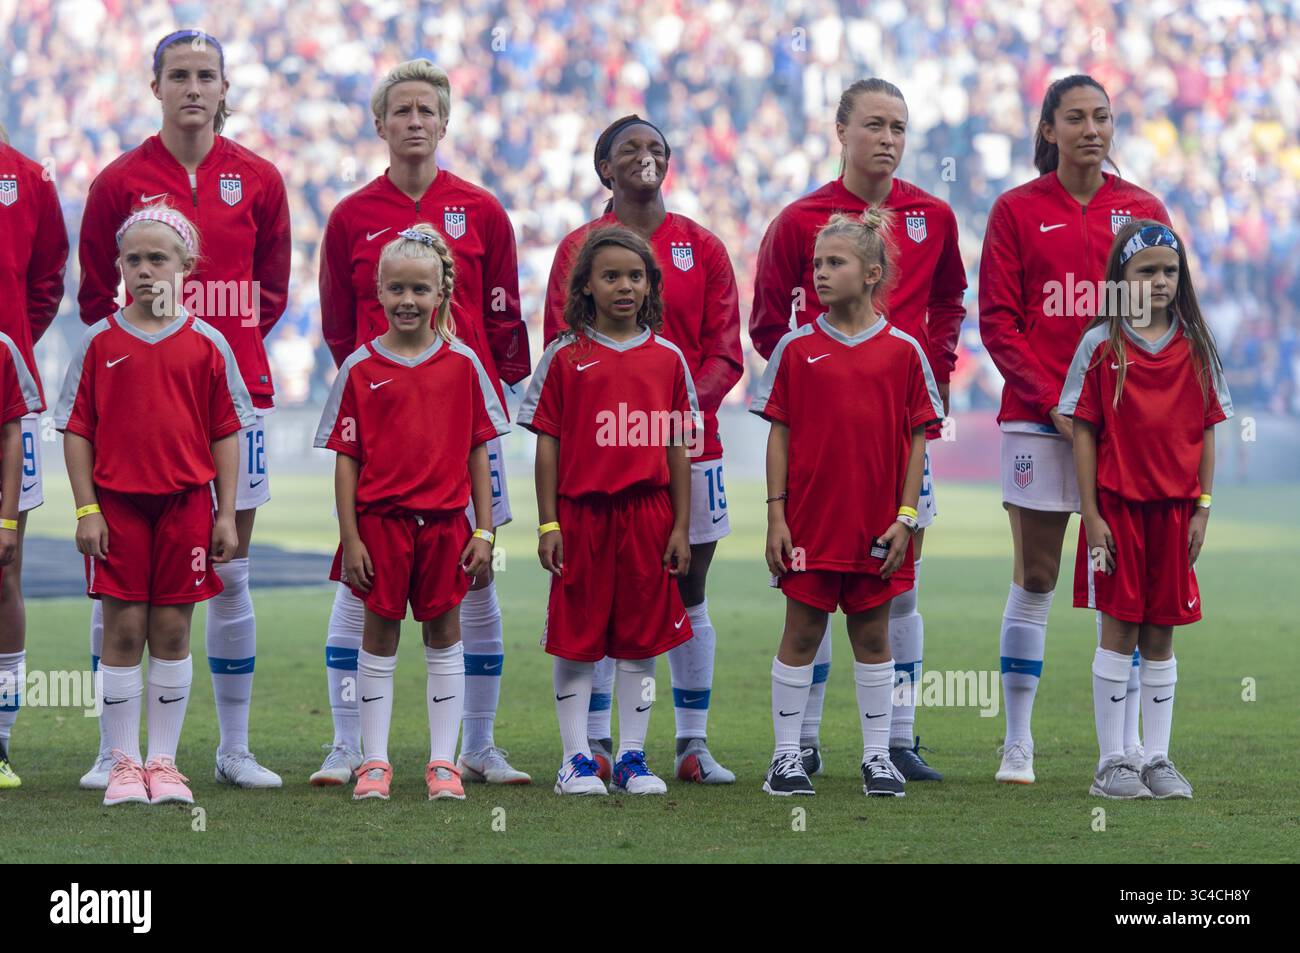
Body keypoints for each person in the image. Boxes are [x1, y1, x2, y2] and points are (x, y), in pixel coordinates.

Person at [77, 29, 290, 790]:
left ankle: (232, 748)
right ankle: (115, 752)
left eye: (207, 75)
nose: (193, 88)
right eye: (179, 75)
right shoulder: (116, 181)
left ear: (226, 88)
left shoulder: (260, 178)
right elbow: (92, 291)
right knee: (118, 584)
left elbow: (272, 291)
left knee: (226, 572)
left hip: (232, 399)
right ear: (155, 86)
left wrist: (214, 360)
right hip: (138, 399)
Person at [316, 59, 531, 787]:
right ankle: (350, 744)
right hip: (385, 427)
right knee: (362, 586)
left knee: (478, 580)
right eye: (399, 110)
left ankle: (476, 744)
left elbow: (504, 315)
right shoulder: (350, 216)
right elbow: (339, 327)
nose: (413, 121)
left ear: (444, 123)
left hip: (463, 423)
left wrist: (485, 405)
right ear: (380, 124)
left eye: (425, 110)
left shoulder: (483, 208)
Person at [749, 79, 965, 781]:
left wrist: (922, 377)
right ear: (840, 129)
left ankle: (896, 741)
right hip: (824, 446)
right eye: (874, 124)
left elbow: (950, 301)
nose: (888, 139)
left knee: (897, 585)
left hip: (899, 430)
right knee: (809, 603)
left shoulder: (933, 215)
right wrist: (823, 379)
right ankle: (801, 744)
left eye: (899, 127)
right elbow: (765, 324)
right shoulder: (799, 219)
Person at [978, 75, 1170, 784]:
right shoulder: (1017, 211)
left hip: (1122, 428)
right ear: (1049, 128)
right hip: (1038, 420)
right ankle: (1018, 740)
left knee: (1117, 577)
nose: (1092, 128)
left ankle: (1120, 750)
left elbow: (1164, 313)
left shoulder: (1142, 209)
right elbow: (997, 321)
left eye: (1103, 116)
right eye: (1076, 117)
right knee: (1037, 574)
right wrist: (1054, 399)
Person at [542, 115, 742, 784]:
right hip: (600, 466)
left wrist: (666, 421)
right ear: (604, 166)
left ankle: (691, 740)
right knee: (597, 594)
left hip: (688, 453)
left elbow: (724, 352)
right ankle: (593, 743)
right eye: (629, 148)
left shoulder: (703, 246)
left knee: (684, 593)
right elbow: (560, 350)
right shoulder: (576, 247)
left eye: (657, 146)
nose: (645, 156)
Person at [56, 204, 253, 806]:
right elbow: (76, 429)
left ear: (186, 267)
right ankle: (122, 764)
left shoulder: (208, 343)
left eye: (157, 259)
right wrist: (87, 509)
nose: (145, 271)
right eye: (133, 260)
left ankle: (163, 765)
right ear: (118, 267)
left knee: (171, 630)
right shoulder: (97, 341)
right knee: (123, 629)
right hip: (118, 510)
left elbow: (226, 430)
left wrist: (224, 512)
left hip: (186, 509)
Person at [315, 224, 507, 801]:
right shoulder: (359, 367)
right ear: (379, 292)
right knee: (379, 635)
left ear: (440, 294)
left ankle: (443, 764)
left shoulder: (463, 364)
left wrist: (485, 528)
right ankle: (374, 763)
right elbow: (346, 460)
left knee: (446, 636)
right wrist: (350, 539)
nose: (407, 301)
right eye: (396, 289)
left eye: (420, 290)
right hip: (380, 526)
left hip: (447, 526)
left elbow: (480, 450)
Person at [519, 226, 698, 796]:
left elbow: (677, 449)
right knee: (577, 640)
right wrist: (548, 522)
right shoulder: (565, 356)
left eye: (636, 276)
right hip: (581, 517)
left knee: (640, 644)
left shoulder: (668, 358)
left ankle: (631, 757)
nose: (625, 286)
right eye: (611, 276)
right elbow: (547, 443)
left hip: (647, 518)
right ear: (587, 286)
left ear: (650, 286)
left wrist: (679, 527)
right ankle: (575, 758)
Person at [1058, 220, 1231, 799]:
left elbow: (1209, 430)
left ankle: (1156, 759)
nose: (1160, 281)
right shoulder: (1100, 344)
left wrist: (1202, 508)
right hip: (1117, 513)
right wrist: (1092, 514)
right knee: (1119, 627)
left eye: (1170, 271)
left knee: (1162, 632)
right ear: (1121, 277)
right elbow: (1083, 431)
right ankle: (1113, 764)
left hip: (1176, 515)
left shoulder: (1197, 344)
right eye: (1147, 270)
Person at [0, 132, 69, 788]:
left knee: (4, 565)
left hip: (6, 402)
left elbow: (47, 281)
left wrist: (10, 347)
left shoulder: (29, 177)